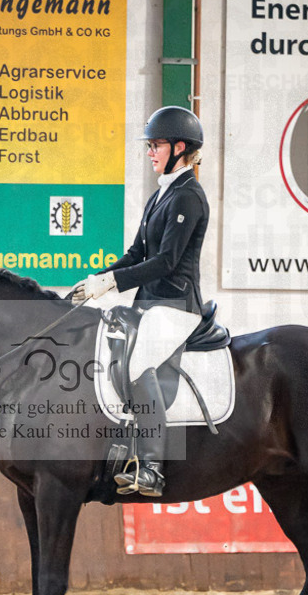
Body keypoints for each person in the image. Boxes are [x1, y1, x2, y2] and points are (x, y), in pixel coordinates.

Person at [72, 105, 209, 496]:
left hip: (176, 307)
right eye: (149, 145)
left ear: (180, 148)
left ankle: (151, 466)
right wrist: (98, 281)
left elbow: (165, 262)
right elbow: (136, 254)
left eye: (156, 145)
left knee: (138, 362)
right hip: (149, 305)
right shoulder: (160, 196)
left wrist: (113, 281)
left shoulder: (189, 198)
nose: (150, 152)